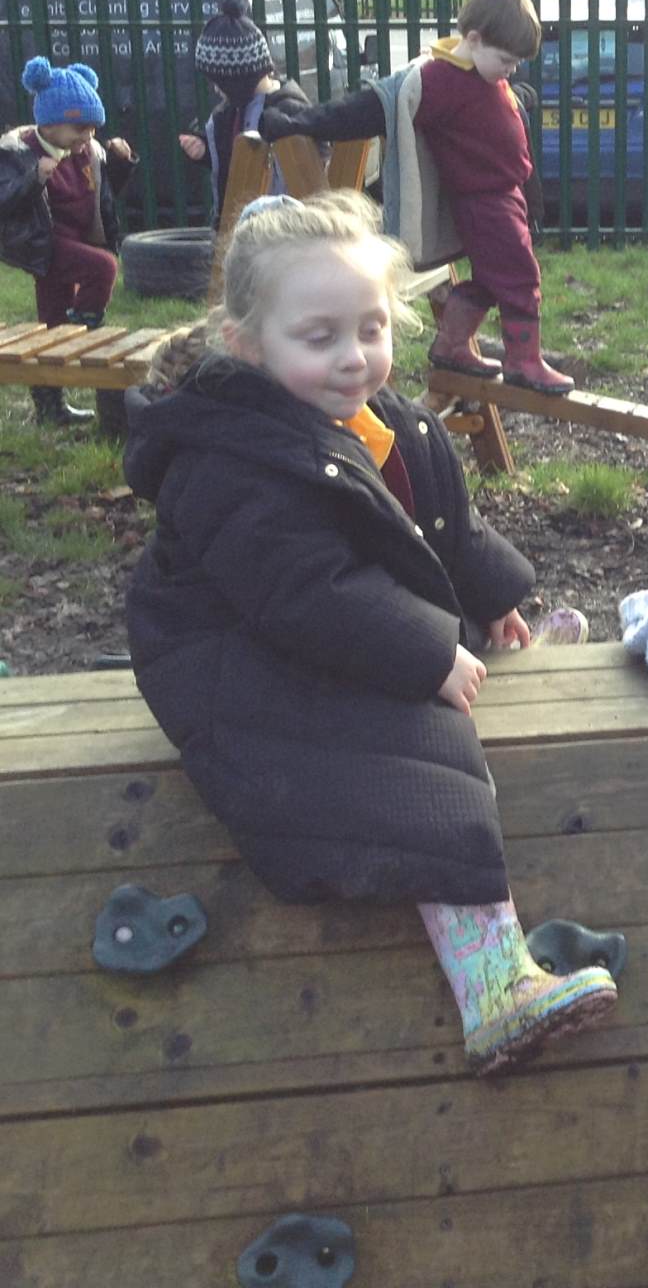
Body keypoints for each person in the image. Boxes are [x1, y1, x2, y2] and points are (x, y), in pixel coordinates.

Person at [123, 190, 612, 1075]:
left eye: (372, 329)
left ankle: (493, 646)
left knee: (437, 674)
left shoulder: (381, 421)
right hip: (240, 653)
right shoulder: (231, 460)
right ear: (247, 344)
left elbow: (438, 523)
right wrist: (427, 655)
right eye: (320, 339)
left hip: (331, 623)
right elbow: (307, 593)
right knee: (422, 761)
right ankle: (495, 986)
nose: (354, 357)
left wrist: (493, 596)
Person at [258, 0, 568, 394]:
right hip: (485, 203)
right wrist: (302, 122)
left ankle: (451, 346)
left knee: (493, 279)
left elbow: (495, 113)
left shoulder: (483, 74)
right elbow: (374, 107)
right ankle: (524, 362)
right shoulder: (439, 80)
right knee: (520, 278)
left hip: (505, 197)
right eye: (506, 61)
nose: (510, 71)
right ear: (474, 40)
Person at [0, 55, 137, 425]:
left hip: (76, 239)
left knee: (50, 325)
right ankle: (86, 326)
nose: (87, 136)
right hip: (43, 244)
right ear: (49, 124)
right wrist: (34, 179)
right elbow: (5, 202)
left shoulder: (88, 152)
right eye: (79, 128)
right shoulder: (19, 153)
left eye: (92, 128)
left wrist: (120, 163)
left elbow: (103, 196)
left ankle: (50, 406)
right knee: (104, 267)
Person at [177, 0, 313, 223]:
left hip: (280, 229)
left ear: (237, 79)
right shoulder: (225, 115)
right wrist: (206, 152)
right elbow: (231, 164)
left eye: (219, 82)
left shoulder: (288, 112)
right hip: (238, 225)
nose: (216, 89)